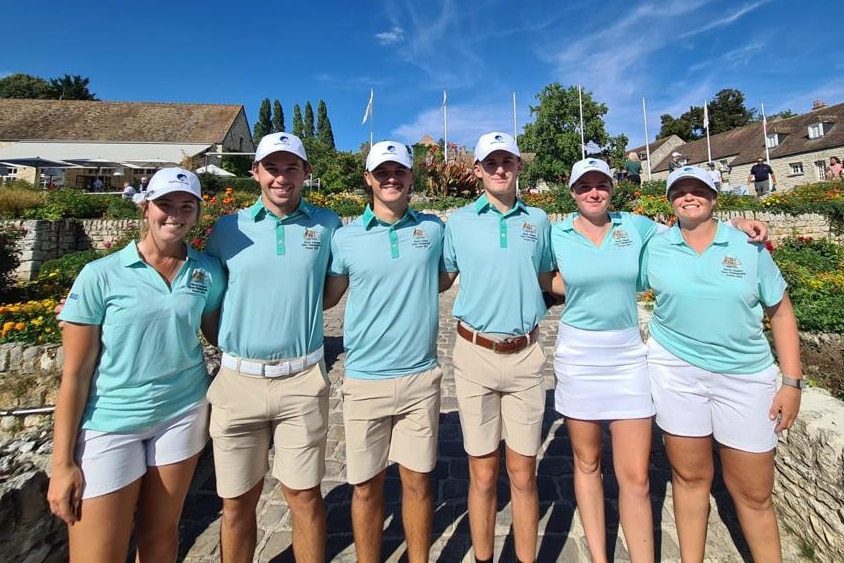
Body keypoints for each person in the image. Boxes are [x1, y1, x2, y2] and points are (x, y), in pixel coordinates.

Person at [544, 158, 767, 563]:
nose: (593, 192)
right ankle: (599, 556)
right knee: (588, 462)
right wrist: (567, 287)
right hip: (578, 354)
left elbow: (692, 229)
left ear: (612, 189)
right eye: (584, 186)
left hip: (628, 355)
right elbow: (541, 275)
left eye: (601, 185)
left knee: (636, 476)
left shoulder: (636, 226)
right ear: (572, 191)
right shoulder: (555, 232)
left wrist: (735, 224)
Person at [47, 167, 225, 562]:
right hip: (112, 420)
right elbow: (74, 375)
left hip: (181, 412)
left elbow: (219, 335)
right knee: (98, 552)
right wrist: (61, 464)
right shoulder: (100, 275)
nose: (174, 215)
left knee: (160, 537)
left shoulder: (206, 271)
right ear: (146, 208)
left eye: (185, 206)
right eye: (164, 205)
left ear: (198, 212)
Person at [641, 165, 802, 562]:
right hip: (677, 370)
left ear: (715, 197)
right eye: (680, 191)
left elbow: (781, 312)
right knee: (690, 478)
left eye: (699, 190)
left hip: (745, 377)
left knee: (753, 493)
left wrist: (792, 382)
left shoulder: (746, 245)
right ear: (669, 201)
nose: (689, 196)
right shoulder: (657, 245)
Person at [204, 132, 342, 563]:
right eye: (272, 168)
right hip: (238, 382)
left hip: (301, 380)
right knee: (236, 503)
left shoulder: (327, 224)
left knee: (304, 496)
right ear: (256, 172)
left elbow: (331, 293)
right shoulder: (229, 229)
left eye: (291, 168)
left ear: (306, 173)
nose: (281, 177)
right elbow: (212, 303)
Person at [324, 141, 445, 563]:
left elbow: (446, 279)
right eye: (383, 172)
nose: (391, 178)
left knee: (418, 483)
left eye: (400, 172)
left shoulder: (432, 230)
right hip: (364, 378)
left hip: (420, 376)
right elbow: (327, 297)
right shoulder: (345, 237)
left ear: (412, 178)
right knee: (365, 486)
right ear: (369, 179)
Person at [441, 132, 554, 563]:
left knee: (524, 474)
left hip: (526, 356)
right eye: (491, 163)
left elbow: (549, 278)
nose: (500, 169)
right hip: (474, 356)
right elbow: (439, 277)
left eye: (507, 161)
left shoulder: (538, 221)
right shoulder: (459, 222)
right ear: (477, 172)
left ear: (519, 167)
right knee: (483, 474)